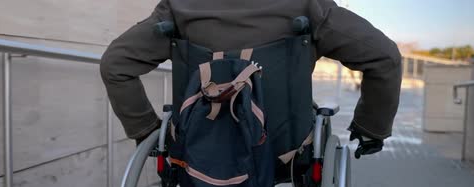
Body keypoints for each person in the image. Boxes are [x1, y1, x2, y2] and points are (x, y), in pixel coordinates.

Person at [100, 0, 402, 157]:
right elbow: (385, 57)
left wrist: (148, 132)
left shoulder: (180, 6)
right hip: (284, 149)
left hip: (197, 142)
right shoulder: (307, 6)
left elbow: (116, 64)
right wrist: (371, 129)